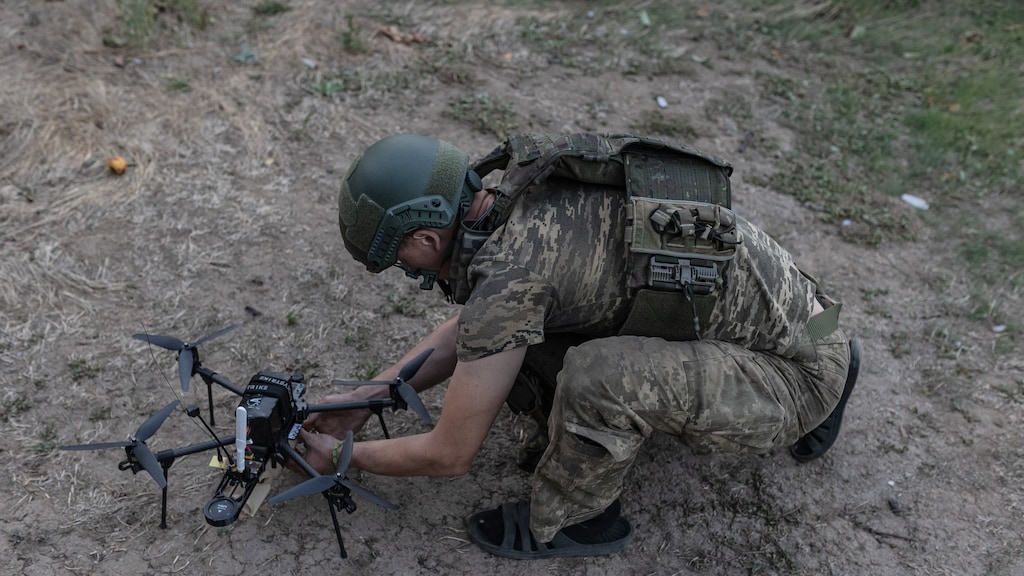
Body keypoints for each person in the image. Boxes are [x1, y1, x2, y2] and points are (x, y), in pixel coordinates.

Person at [300, 132, 860, 559]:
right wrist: (367, 400)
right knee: (536, 342)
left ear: (425, 237)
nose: (404, 269)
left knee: (596, 376)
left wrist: (345, 459)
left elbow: (450, 454)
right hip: (816, 316)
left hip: (796, 369)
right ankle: (842, 358)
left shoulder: (510, 276)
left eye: (399, 257)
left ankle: (578, 520)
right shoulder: (521, 192)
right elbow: (476, 329)